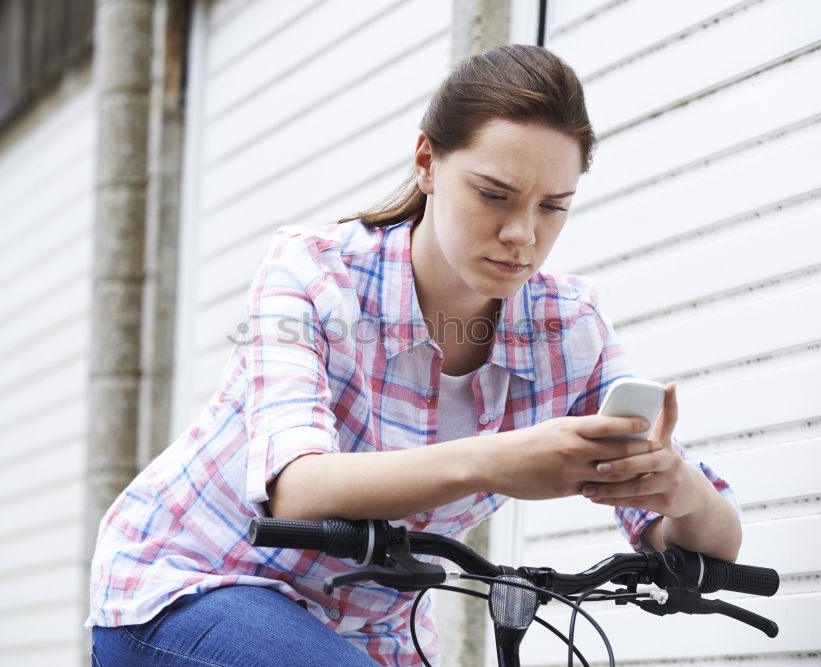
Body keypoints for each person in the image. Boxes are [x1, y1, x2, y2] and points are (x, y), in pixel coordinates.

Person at [87, 44, 742, 666]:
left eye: (553, 207)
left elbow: (717, 541)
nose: (523, 235)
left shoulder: (566, 327)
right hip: (189, 583)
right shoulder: (315, 273)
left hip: (371, 632)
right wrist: (498, 459)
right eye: (494, 195)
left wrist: (677, 488)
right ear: (427, 164)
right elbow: (297, 487)